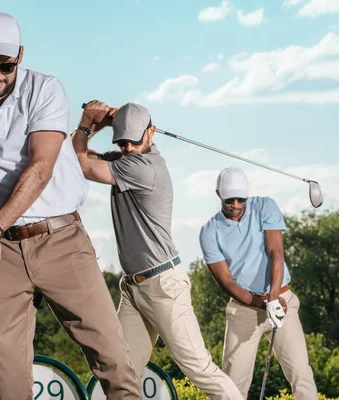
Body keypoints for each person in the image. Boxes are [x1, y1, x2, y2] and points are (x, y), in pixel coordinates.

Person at [0, 12, 142, 400]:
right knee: (7, 377)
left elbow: (41, 166)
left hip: (61, 240)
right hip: (1, 256)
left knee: (113, 359)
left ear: (20, 55)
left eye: (6, 65)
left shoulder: (45, 89)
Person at [72, 101, 243, 400]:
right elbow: (84, 157)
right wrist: (110, 125)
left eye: (134, 140)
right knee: (121, 372)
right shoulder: (128, 159)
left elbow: (80, 164)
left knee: (199, 367)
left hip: (164, 286)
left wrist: (88, 123)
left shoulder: (144, 168)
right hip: (134, 289)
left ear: (151, 132)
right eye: (122, 142)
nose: (128, 148)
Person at [199, 167, 318, 399]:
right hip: (243, 310)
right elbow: (226, 282)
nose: (235, 204)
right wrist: (264, 304)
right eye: (229, 200)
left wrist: (273, 299)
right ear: (218, 195)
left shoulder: (265, 206)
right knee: (232, 384)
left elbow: (276, 251)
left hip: (282, 301)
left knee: (301, 374)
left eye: (240, 199)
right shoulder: (209, 231)